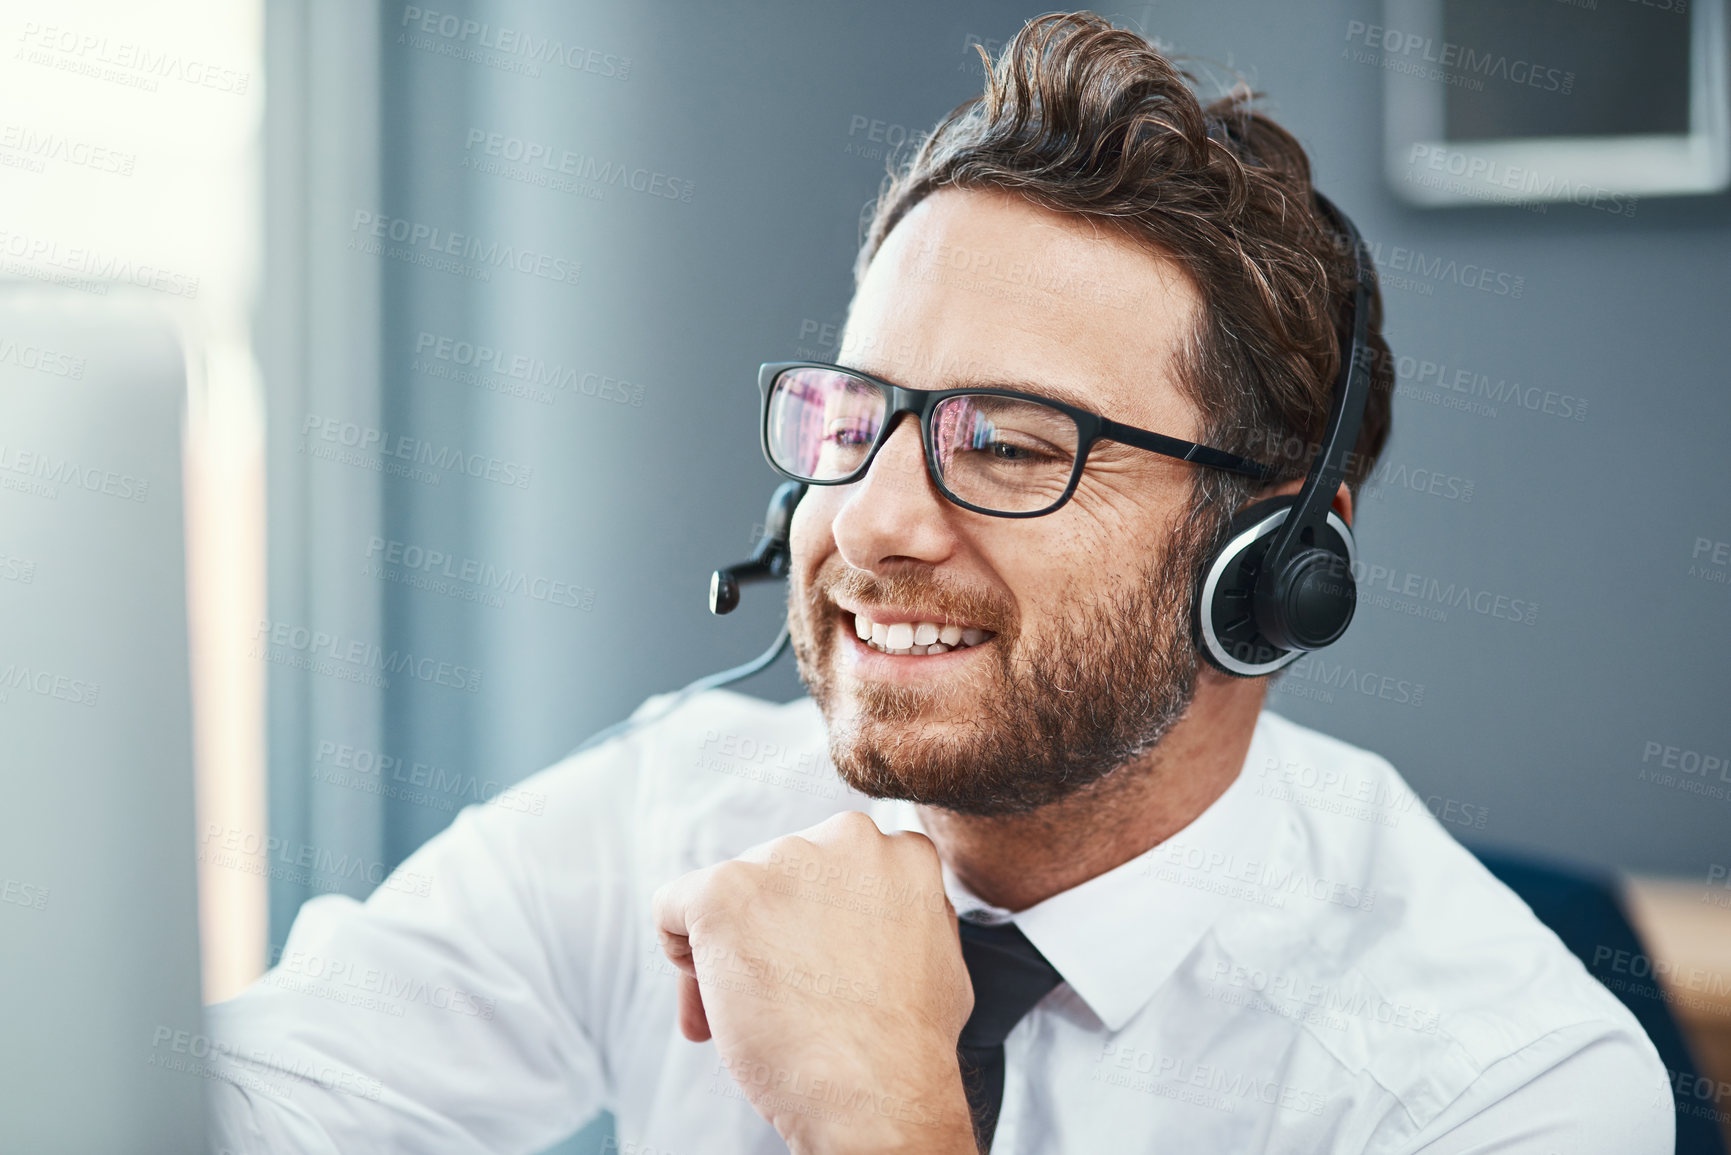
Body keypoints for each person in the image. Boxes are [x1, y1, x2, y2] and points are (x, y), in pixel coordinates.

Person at [206, 13, 1672, 1154]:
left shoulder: (1505, 1089)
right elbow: (248, 1099)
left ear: (1282, 568)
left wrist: (886, 1114)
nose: (874, 519)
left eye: (1017, 444)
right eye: (860, 420)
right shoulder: (687, 812)